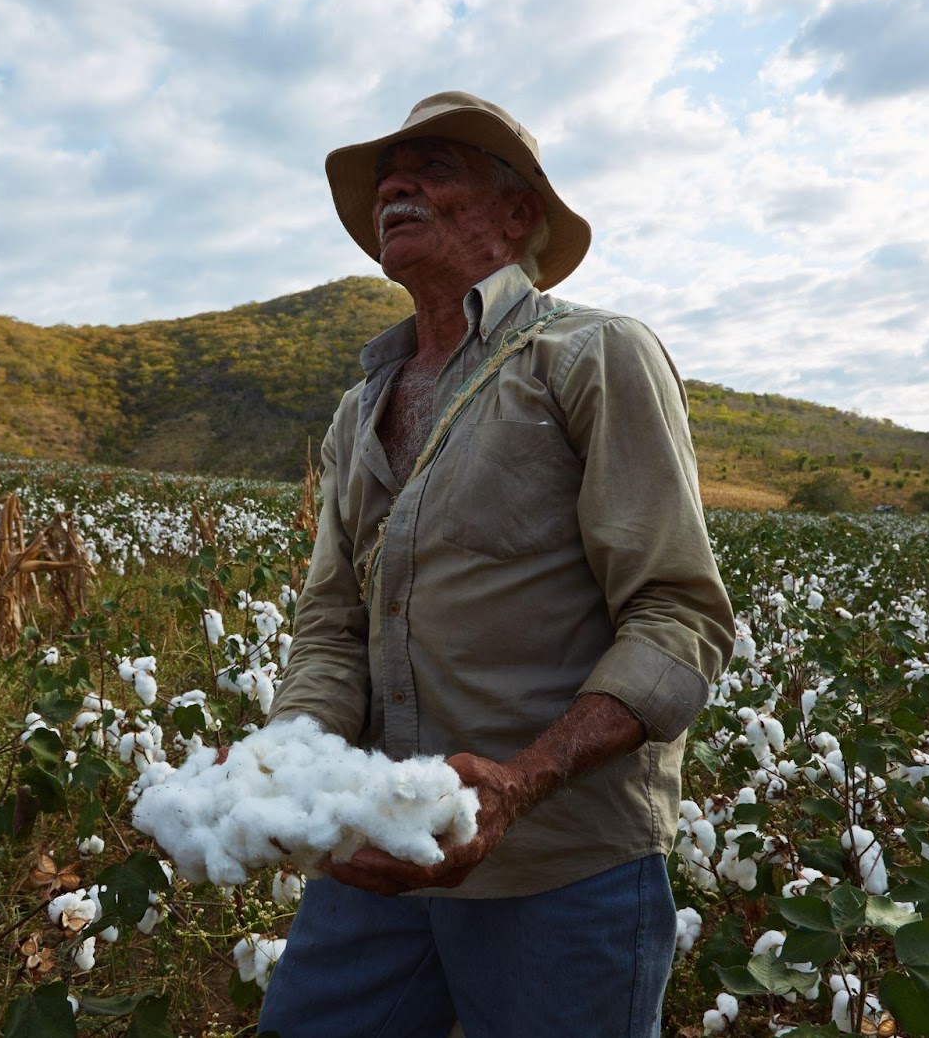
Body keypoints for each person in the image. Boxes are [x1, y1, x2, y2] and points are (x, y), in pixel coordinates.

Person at [259, 91, 736, 1038]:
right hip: (379, 850)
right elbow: (331, 625)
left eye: (432, 166)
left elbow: (679, 617)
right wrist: (291, 760)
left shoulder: (593, 356)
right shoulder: (360, 413)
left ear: (518, 216)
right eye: (387, 176)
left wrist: (519, 783)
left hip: (560, 871)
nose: (394, 184)